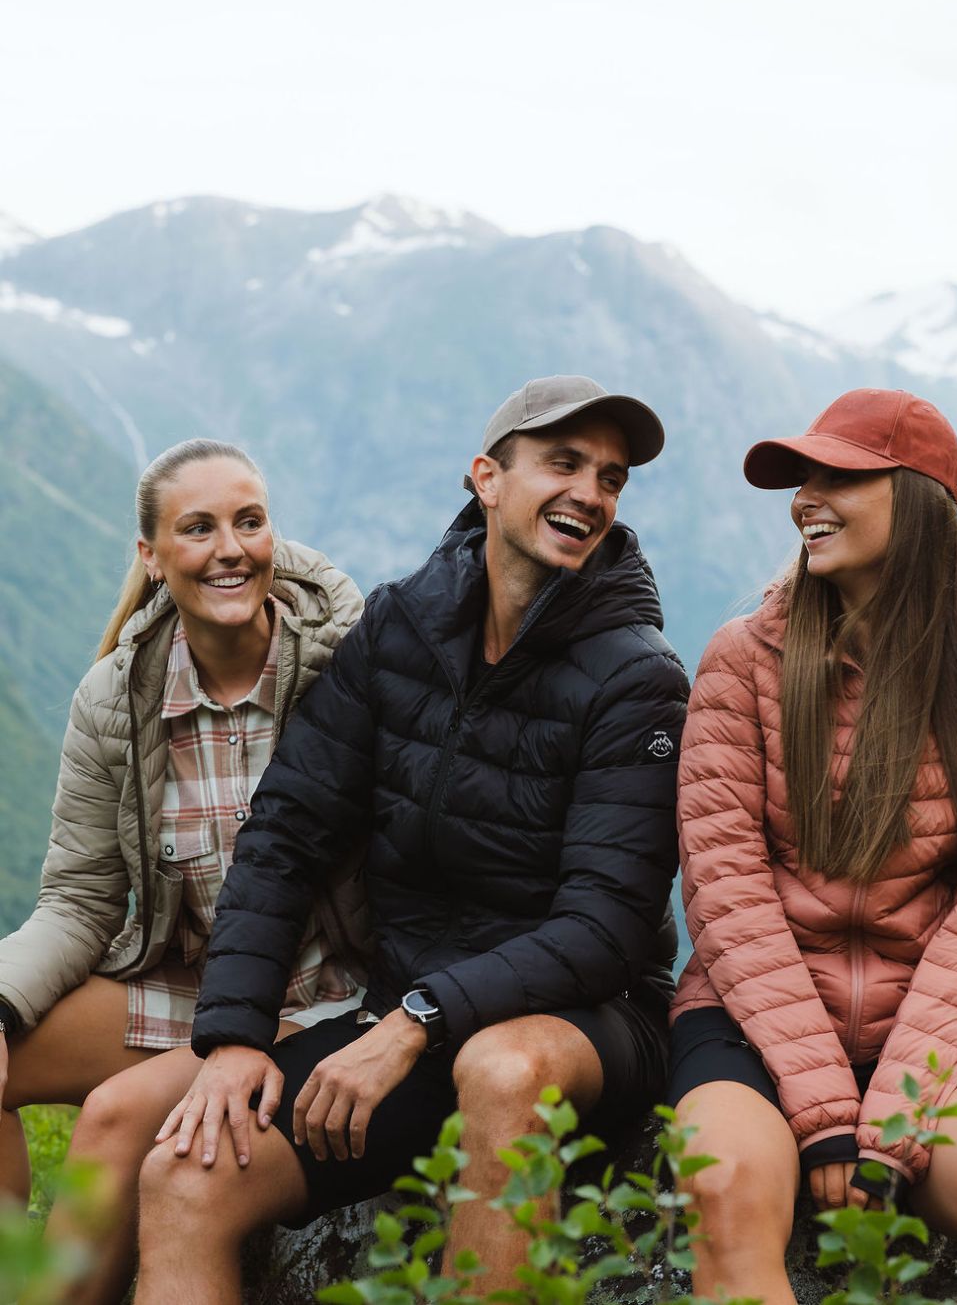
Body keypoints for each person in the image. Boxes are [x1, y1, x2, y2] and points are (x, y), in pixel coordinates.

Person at [132, 375, 689, 1304]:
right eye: (563, 463)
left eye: (611, 478)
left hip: (589, 1021)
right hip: (416, 1018)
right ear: (487, 479)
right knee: (186, 1174)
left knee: (502, 1069)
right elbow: (288, 830)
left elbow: (607, 930)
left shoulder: (636, 677)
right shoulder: (401, 628)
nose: (590, 494)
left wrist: (416, 1019)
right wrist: (232, 1036)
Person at [668, 388, 957, 1305]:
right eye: (801, 478)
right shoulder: (742, 659)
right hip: (747, 1022)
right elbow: (727, 896)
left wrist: (892, 1128)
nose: (805, 500)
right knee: (726, 1192)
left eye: (839, 477)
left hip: (932, 1036)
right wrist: (822, 1111)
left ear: (921, 502)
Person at [0, 438, 367, 1304]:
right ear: (152, 556)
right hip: (189, 984)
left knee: (116, 1118)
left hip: (321, 997)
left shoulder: (344, 667)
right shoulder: (117, 697)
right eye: (198, 528)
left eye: (249, 522)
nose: (230, 549)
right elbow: (80, 898)